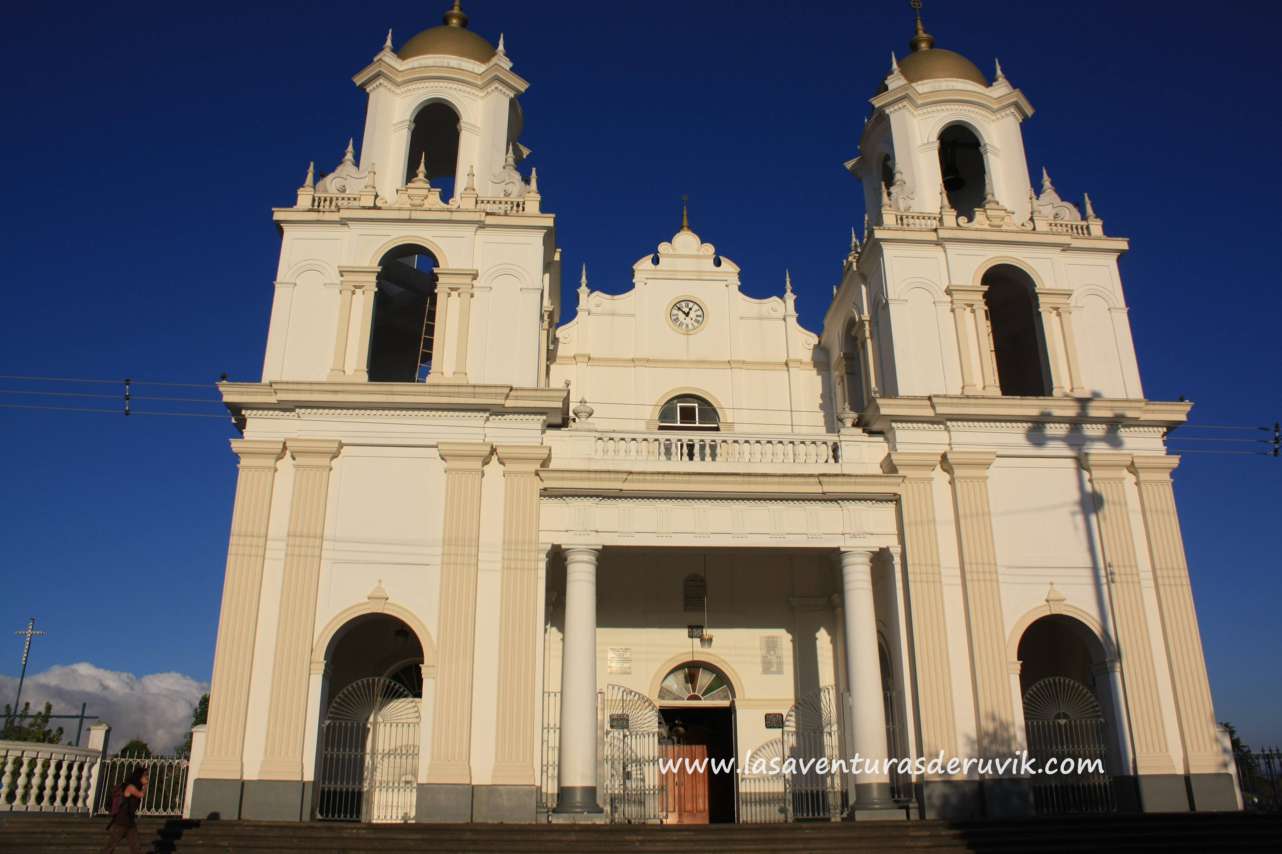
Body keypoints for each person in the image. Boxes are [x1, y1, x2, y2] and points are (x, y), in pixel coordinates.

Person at [99, 765, 147, 854]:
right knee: (111, 845)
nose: (146, 777)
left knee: (136, 846)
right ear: (139, 777)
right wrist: (145, 785)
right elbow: (141, 795)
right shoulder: (130, 787)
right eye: (144, 776)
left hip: (129, 821)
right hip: (122, 820)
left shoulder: (134, 787)